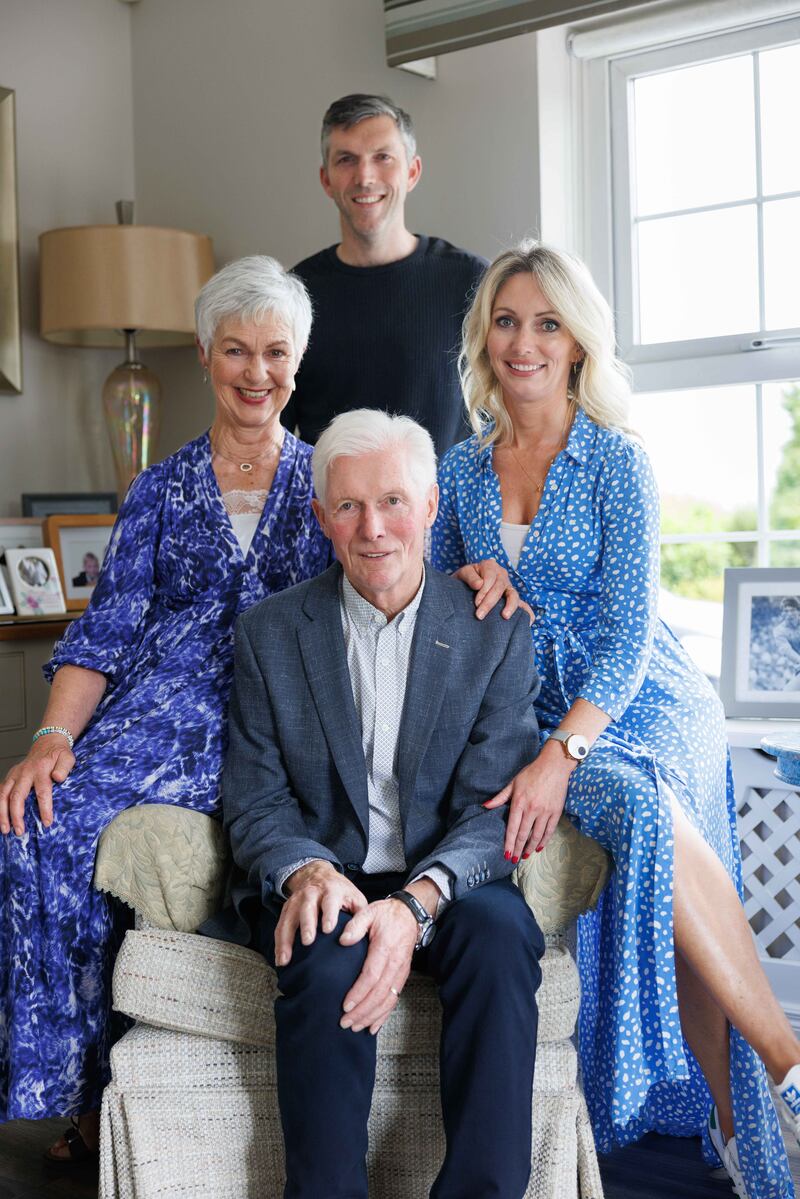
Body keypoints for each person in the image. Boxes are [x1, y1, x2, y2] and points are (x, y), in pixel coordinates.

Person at [432, 241, 800, 1199]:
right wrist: (464, 578)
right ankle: (758, 1132)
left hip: (637, 697)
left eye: (548, 323)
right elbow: (424, 605)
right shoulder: (459, 472)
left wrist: (565, 752)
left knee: (643, 802)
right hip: (526, 706)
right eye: (507, 321)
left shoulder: (615, 461)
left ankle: (783, 1075)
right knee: (648, 841)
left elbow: (633, 636)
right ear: (485, 337)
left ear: (579, 342)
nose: (525, 342)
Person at [0, 255, 332, 1162]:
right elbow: (102, 633)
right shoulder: (159, 487)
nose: (256, 372)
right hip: (162, 714)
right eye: (236, 350)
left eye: (274, 352)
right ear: (202, 354)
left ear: (299, 359)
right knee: (35, 822)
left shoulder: (331, 484)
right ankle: (78, 1090)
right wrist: (50, 738)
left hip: (282, 718)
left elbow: (392, 576)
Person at [210, 409, 544, 1199]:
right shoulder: (269, 634)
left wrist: (418, 901)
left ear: (430, 507)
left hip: (451, 878)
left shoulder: (493, 630)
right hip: (331, 873)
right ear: (322, 517)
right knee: (324, 960)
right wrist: (304, 872)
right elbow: (255, 795)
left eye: (394, 501)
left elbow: (496, 809)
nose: (374, 529)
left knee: (503, 941)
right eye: (350, 506)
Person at [281, 94, 486, 459]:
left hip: (446, 515)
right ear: (326, 180)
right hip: (328, 514)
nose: (365, 177)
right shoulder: (293, 295)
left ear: (412, 172)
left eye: (383, 157)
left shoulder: (471, 282)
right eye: (346, 160)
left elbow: (507, 418)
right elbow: (274, 438)